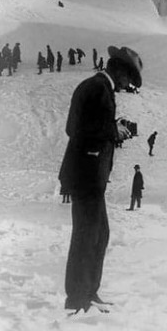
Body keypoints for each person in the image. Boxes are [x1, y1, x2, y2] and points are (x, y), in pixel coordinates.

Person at [58, 45, 143, 313]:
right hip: (86, 175)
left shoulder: (100, 88)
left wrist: (111, 128)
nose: (127, 84)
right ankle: (77, 298)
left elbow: (87, 124)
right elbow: (75, 127)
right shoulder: (96, 88)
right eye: (128, 78)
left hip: (92, 177)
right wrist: (112, 129)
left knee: (99, 234)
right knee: (87, 235)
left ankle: (88, 292)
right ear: (117, 70)